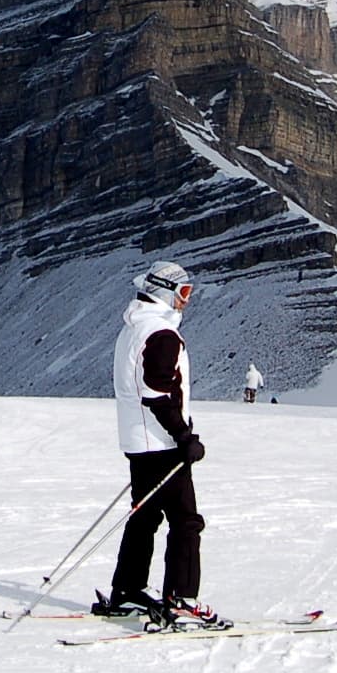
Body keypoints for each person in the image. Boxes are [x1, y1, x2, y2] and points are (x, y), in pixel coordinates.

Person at [95, 261, 225, 630]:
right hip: (161, 442)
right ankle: (182, 601)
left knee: (146, 516)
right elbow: (156, 391)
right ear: (164, 291)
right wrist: (183, 437)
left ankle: (129, 590)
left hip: (138, 440)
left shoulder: (133, 328)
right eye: (183, 293)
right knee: (186, 521)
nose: (187, 301)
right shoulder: (161, 334)